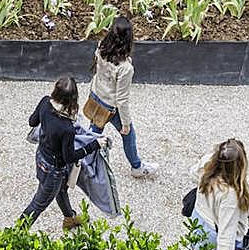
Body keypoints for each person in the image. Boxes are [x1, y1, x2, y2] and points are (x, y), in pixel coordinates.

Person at [19, 76, 107, 229]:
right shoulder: (67, 128)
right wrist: (94, 145)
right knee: (38, 204)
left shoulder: (45, 102)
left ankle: (69, 218)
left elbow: (32, 122)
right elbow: (69, 157)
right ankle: (15, 235)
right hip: (54, 169)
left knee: (61, 189)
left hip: (41, 157)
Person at [88, 17, 158, 178]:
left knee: (95, 131)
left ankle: (86, 160)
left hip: (96, 96)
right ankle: (137, 167)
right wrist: (125, 123)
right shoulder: (125, 68)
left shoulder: (101, 49)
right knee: (129, 135)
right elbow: (122, 99)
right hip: (110, 106)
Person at [191, 139, 249, 250]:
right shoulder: (230, 194)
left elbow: (193, 173)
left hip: (199, 219)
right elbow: (226, 234)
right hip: (216, 230)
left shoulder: (207, 162)